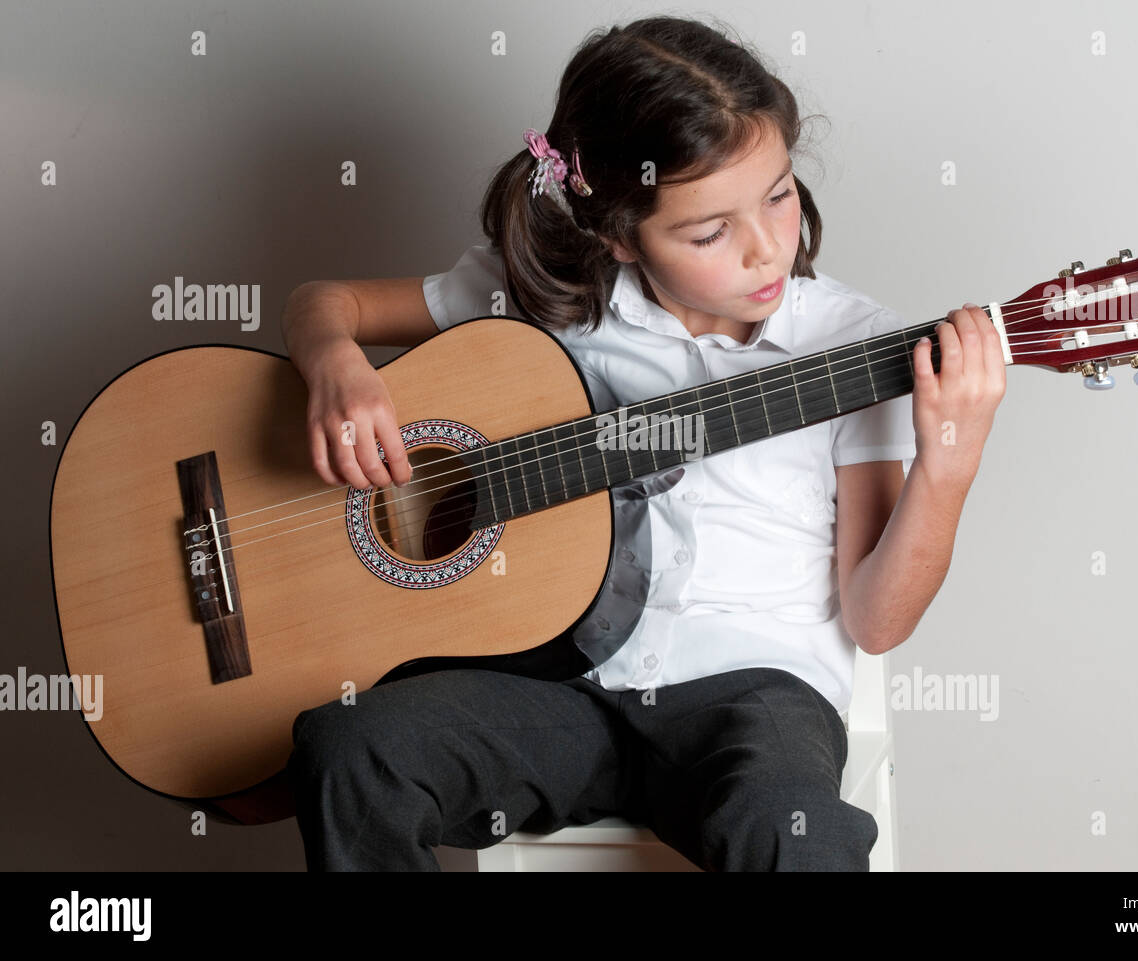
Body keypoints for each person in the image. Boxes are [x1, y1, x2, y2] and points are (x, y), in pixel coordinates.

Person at [280, 15, 1005, 872]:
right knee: (352, 747)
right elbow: (329, 302)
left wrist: (948, 464)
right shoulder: (551, 299)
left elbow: (879, 621)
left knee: (790, 826)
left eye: (778, 194)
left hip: (753, 704)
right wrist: (333, 361)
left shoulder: (857, 347)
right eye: (709, 232)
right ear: (618, 234)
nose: (767, 247)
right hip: (563, 692)